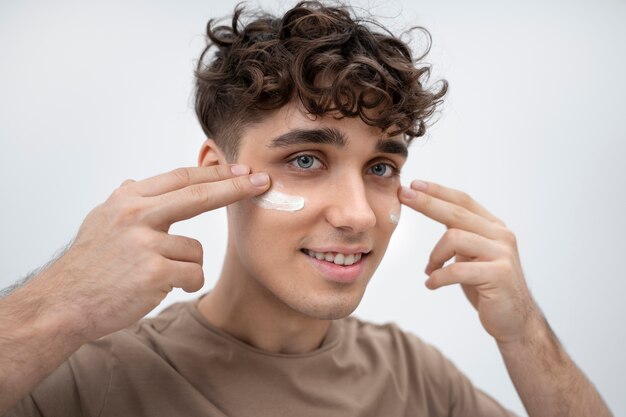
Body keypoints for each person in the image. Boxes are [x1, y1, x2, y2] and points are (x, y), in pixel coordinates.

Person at [0, 1, 613, 416]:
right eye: (306, 159)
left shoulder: (416, 379)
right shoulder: (89, 378)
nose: (359, 215)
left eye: (381, 168)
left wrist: (525, 333)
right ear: (217, 175)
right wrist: (59, 303)